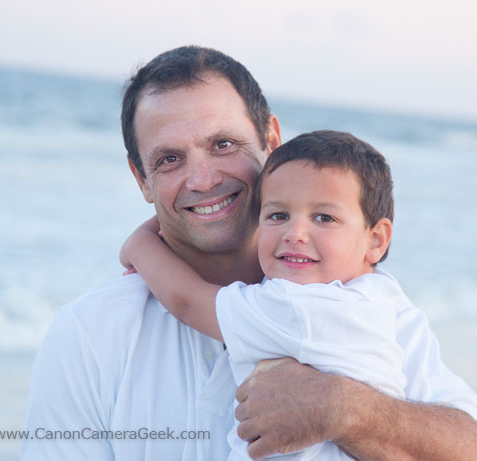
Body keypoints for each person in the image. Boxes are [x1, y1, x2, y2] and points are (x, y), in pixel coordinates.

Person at [22, 46, 477, 460]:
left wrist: (347, 410)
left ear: (271, 141)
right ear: (141, 179)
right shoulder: (89, 333)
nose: (203, 179)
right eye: (170, 160)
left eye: (223, 144)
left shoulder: (374, 305)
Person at [119, 130, 412, 460]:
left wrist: (140, 244)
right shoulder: (381, 296)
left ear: (376, 240)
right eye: (278, 215)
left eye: (324, 217)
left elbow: (188, 301)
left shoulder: (295, 306)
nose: (295, 233)